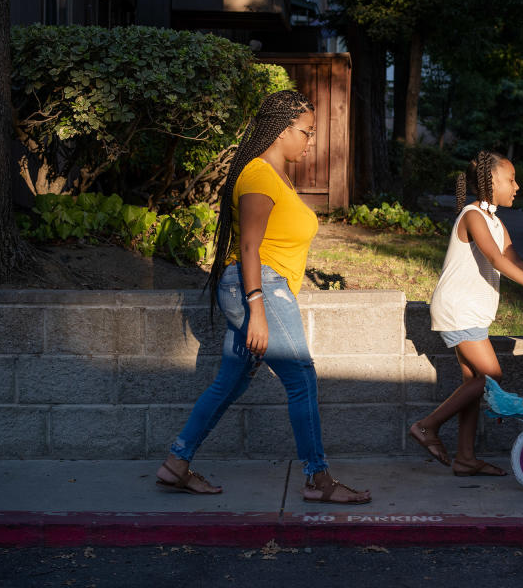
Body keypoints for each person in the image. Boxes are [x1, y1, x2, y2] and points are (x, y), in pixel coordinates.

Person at [155, 90, 370, 504]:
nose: (310, 142)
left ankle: (176, 464)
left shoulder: (275, 176)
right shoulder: (256, 175)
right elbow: (249, 247)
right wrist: (257, 308)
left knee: (230, 381)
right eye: (305, 132)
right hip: (258, 287)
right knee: (301, 378)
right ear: (281, 131)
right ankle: (318, 480)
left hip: (262, 287)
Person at [409, 151, 523, 477]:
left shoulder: (494, 220)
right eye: (511, 180)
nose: (517, 186)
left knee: (475, 384)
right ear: (491, 181)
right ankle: (427, 426)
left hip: (472, 313)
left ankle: (465, 458)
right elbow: (494, 258)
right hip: (457, 309)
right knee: (492, 376)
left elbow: (512, 257)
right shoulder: (472, 215)